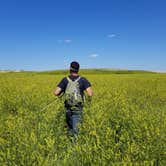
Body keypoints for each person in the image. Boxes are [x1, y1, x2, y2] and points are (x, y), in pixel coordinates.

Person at [54, 61, 93, 135]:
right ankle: (75, 145)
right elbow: (90, 93)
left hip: (68, 107)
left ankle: (69, 144)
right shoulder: (83, 80)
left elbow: (56, 93)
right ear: (78, 69)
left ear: (70, 69)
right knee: (76, 130)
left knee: (69, 128)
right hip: (78, 108)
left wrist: (63, 91)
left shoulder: (65, 79)